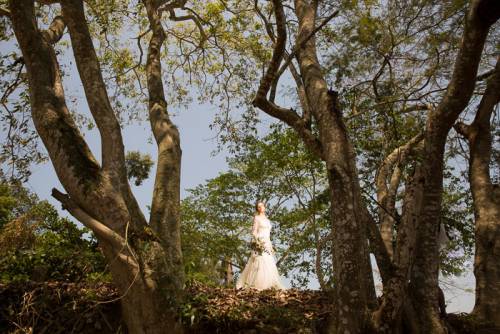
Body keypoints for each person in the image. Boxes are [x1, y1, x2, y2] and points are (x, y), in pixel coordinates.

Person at [236, 201, 285, 290]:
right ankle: (255, 285)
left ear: (264, 207)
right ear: (257, 209)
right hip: (260, 241)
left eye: (262, 206)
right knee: (259, 261)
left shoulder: (267, 220)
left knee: (268, 262)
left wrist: (270, 245)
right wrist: (256, 242)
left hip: (267, 242)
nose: (261, 207)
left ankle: (267, 285)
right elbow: (254, 231)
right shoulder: (256, 218)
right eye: (259, 207)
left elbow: (268, 234)